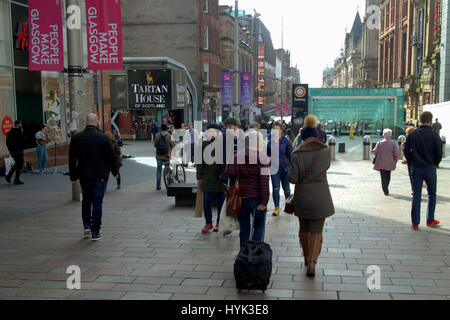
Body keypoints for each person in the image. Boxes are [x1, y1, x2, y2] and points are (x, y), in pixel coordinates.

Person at [288, 114, 335, 277]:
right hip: (321, 197)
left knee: (304, 229)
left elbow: (293, 178)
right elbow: (326, 168)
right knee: (317, 230)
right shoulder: (325, 151)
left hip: (302, 197)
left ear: (303, 137)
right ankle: (313, 264)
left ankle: (307, 258)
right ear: (315, 136)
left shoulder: (296, 153)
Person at [69, 113, 119, 241]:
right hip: (100, 175)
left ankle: (86, 226)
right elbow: (111, 157)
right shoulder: (103, 138)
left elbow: (72, 159)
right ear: (96, 122)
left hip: (84, 175)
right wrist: (115, 172)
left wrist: (73, 176)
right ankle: (96, 232)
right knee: (97, 203)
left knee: (86, 201)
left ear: (85, 122)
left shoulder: (77, 138)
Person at [227, 130, 270, 247]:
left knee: (244, 229)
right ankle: (254, 254)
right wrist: (264, 201)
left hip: (241, 198)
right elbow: (264, 182)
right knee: (259, 228)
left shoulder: (238, 155)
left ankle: (244, 254)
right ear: (256, 142)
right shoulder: (263, 157)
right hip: (257, 199)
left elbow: (230, 173)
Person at [404, 111, 443, 230]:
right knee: (431, 194)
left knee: (416, 195)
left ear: (419, 120)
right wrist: (435, 163)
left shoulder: (413, 134)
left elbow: (406, 150)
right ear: (430, 121)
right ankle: (430, 219)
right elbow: (439, 151)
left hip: (416, 168)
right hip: (430, 167)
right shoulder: (434, 135)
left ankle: (415, 222)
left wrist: (411, 162)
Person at [197, 124, 225, 233]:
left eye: (213, 131)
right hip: (207, 177)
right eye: (209, 131)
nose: (211, 133)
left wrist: (225, 175)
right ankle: (208, 223)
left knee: (221, 202)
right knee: (206, 201)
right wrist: (199, 176)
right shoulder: (203, 144)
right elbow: (200, 162)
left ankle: (219, 223)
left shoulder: (222, 144)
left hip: (219, 178)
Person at [267, 120, 293, 216]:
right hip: (274, 169)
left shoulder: (286, 141)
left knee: (287, 189)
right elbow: (267, 155)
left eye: (277, 129)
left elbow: (291, 155)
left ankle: (288, 206)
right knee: (275, 188)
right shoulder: (270, 143)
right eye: (274, 130)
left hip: (285, 168)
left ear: (281, 130)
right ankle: (276, 208)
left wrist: (290, 167)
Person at [372, 129, 399, 196]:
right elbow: (396, 154)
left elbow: (375, 151)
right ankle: (386, 187)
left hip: (381, 162)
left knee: (383, 176)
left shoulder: (380, 143)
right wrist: (395, 161)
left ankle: (385, 189)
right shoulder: (393, 143)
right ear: (390, 135)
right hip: (390, 162)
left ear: (383, 135)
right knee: (388, 176)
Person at [154, 123, 176, 190]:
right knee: (167, 169)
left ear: (160, 128)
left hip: (159, 155)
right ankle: (169, 183)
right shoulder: (169, 136)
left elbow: (155, 145)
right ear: (167, 129)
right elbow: (174, 145)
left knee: (159, 170)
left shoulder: (157, 135)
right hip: (167, 155)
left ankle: (158, 185)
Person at [5, 120, 26, 185]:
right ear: (19, 124)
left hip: (13, 151)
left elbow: (7, 142)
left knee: (18, 164)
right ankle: (13, 178)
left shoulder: (10, 132)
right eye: (21, 124)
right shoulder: (19, 131)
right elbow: (23, 140)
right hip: (19, 151)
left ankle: (12, 178)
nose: (21, 125)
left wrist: (10, 150)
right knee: (19, 164)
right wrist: (22, 132)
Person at [402, 126, 416, 192]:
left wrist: (408, 158)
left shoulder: (409, 138)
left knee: (411, 174)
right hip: (418, 160)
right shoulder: (418, 137)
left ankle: (413, 188)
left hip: (411, 160)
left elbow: (406, 150)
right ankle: (414, 188)